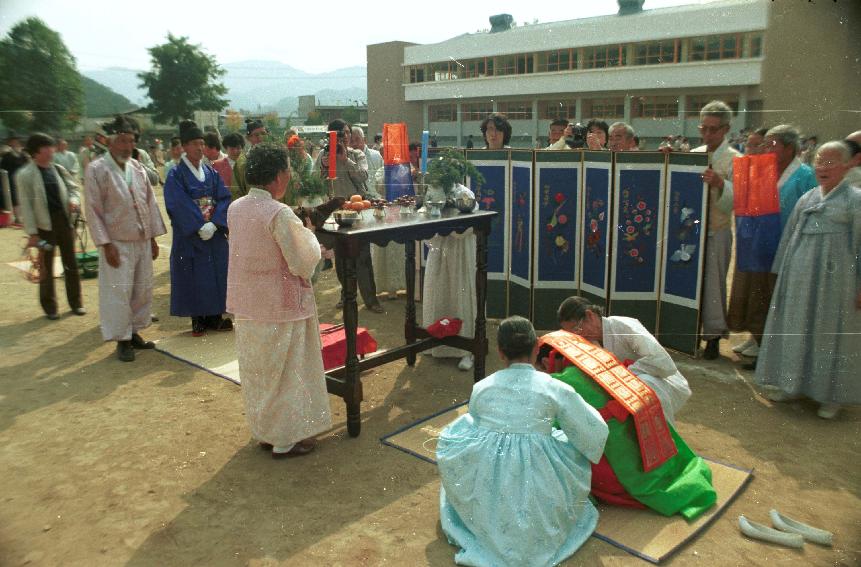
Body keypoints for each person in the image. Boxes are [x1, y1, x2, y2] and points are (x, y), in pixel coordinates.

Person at [437, 316, 608, 567]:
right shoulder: (554, 387)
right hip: (539, 467)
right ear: (537, 347)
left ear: (500, 353)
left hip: (491, 468)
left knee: (461, 429)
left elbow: (476, 420)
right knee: (565, 444)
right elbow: (593, 430)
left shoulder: (482, 387)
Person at [536, 329, 716, 521]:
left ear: (547, 363)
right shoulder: (603, 359)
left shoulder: (560, 382)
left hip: (623, 464)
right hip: (654, 443)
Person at [226, 143, 332, 458]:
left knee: (259, 371)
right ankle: (286, 437)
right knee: (287, 371)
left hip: (248, 302)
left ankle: (265, 431)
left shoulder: (236, 208)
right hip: (281, 304)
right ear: (279, 176)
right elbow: (303, 259)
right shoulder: (278, 213)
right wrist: (312, 235)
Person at [755, 141, 861, 420]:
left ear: (849, 165)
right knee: (797, 325)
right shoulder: (809, 198)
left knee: (830, 331)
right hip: (801, 275)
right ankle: (793, 385)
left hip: (837, 281)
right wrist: (782, 274)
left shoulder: (855, 200)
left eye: (831, 162)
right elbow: (789, 237)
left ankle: (831, 396)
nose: (822, 168)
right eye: (819, 161)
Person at [729, 125, 817, 367]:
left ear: (789, 149)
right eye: (764, 144)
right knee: (758, 292)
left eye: (772, 144)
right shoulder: (764, 171)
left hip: (786, 243)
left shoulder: (805, 175)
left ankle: (769, 349)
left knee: (776, 295)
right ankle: (757, 338)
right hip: (761, 244)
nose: (766, 148)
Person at [85, 115, 167, 362]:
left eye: (131, 141)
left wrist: (152, 237)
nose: (127, 146)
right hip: (116, 241)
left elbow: (150, 202)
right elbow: (93, 210)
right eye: (122, 140)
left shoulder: (138, 168)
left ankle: (134, 333)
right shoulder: (96, 169)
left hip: (141, 238)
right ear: (110, 142)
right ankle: (121, 339)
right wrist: (105, 244)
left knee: (141, 288)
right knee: (118, 292)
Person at [556, 296, 691, 422]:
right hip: (626, 390)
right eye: (572, 333)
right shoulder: (587, 341)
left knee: (645, 383)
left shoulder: (624, 326)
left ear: (590, 315)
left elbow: (663, 362)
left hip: (664, 384)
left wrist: (624, 373)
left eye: (577, 329)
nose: (578, 335)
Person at [163, 120, 232, 337]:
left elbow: (224, 197)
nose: (200, 148)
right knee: (194, 274)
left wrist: (215, 223)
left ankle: (215, 316)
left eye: (202, 143)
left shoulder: (210, 172)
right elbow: (177, 203)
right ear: (184, 146)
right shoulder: (176, 174)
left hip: (213, 230)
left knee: (215, 272)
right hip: (191, 234)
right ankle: (198, 318)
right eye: (194, 143)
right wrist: (198, 225)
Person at [314, 119, 382, 313]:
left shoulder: (357, 154)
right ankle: (346, 295)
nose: (343, 137)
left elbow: (363, 177)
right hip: (334, 212)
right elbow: (316, 183)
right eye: (337, 134)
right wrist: (324, 167)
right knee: (341, 258)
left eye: (345, 133)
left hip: (356, 210)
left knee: (363, 257)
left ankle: (371, 300)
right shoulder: (323, 156)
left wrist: (345, 160)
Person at [17, 133, 85, 319]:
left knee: (70, 263)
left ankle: (76, 303)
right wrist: (32, 233)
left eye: (51, 146)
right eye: (46, 147)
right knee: (45, 267)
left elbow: (74, 189)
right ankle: (50, 307)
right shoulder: (25, 175)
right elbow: (27, 207)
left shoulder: (58, 169)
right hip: (43, 228)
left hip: (64, 223)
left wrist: (73, 200)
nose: (51, 150)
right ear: (35, 152)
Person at [692, 100, 740, 360]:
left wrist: (722, 183)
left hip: (717, 230)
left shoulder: (736, 159)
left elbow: (740, 199)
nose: (708, 135)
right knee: (690, 284)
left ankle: (712, 336)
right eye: (704, 128)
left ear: (726, 129)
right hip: (690, 232)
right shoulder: (694, 153)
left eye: (713, 129)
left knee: (713, 284)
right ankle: (689, 331)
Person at [422, 181, 478, 371]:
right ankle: (436, 343)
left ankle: (466, 349)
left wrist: (449, 225)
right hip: (439, 251)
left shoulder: (465, 194)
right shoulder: (433, 190)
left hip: (459, 254)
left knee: (458, 295)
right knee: (439, 293)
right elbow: (425, 217)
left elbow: (469, 226)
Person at [233, 119, 268, 198]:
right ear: (248, 138)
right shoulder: (242, 163)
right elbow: (236, 191)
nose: (261, 137)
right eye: (256, 135)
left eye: (263, 133)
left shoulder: (276, 158)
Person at [1, 132, 28, 224]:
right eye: (12, 141)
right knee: (14, 198)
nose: (15, 143)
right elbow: (3, 167)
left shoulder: (23, 154)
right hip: (9, 179)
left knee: (23, 197)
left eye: (16, 141)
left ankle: (21, 216)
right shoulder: (7, 154)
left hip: (22, 178)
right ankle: (16, 217)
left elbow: (27, 165)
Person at [212, 132, 244, 199]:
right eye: (232, 149)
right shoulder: (216, 165)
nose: (235, 151)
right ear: (226, 148)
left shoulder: (247, 165)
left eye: (238, 148)